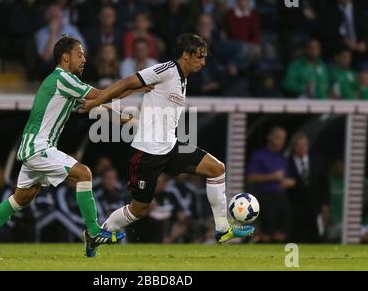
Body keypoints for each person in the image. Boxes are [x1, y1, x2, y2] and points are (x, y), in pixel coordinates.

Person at [0, 35, 152, 258]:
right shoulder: (62, 78)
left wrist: (132, 120)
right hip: (39, 147)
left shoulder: (63, 83)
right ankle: (93, 231)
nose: (84, 59)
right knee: (84, 174)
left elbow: (97, 108)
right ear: (66, 58)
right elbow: (102, 95)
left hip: (34, 147)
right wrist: (138, 85)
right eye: (79, 54)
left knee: (21, 198)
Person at [81, 34, 255, 249]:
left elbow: (134, 117)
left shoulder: (182, 79)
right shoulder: (166, 71)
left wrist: (102, 109)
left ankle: (222, 228)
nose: (203, 62)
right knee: (139, 210)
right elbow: (127, 82)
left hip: (170, 147)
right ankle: (97, 235)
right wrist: (97, 103)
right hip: (147, 154)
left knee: (217, 169)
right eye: (200, 57)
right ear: (185, 55)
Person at [246, 127, 295, 243]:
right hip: (265, 197)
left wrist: (289, 182)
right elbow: (250, 177)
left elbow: (286, 177)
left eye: (283, 139)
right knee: (266, 232)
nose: (281, 142)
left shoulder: (282, 157)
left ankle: (277, 256)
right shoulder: (259, 156)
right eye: (278, 138)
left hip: (281, 197)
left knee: (282, 230)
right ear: (270, 138)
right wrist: (272, 177)